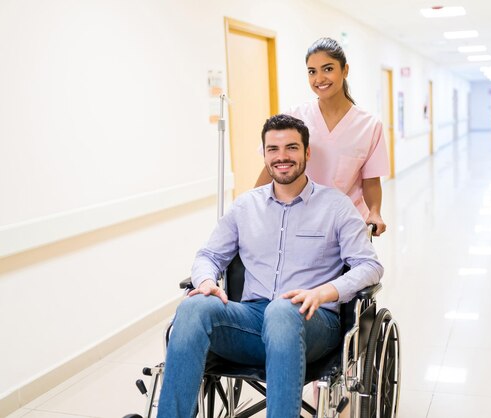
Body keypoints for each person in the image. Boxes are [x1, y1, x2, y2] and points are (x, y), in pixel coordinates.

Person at [157, 114, 384, 418]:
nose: (282, 157)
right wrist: (206, 281)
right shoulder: (245, 206)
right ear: (264, 155)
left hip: (313, 322)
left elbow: (369, 266)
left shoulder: (335, 206)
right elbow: (208, 256)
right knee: (193, 307)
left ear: (307, 153)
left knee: (281, 309)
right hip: (251, 321)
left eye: (291, 148)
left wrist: (324, 293)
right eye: (273, 149)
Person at [256, 37, 390, 236]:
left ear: (345, 70)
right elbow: (272, 166)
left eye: (328, 69)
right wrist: (249, 206)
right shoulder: (294, 117)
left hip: (347, 225)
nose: (319, 79)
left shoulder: (369, 125)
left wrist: (375, 213)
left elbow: (371, 181)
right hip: (298, 221)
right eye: (312, 72)